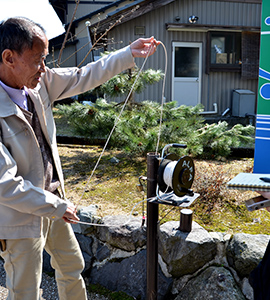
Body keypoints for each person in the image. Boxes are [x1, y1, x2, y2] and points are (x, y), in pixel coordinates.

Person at [0, 17, 159, 300]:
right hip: (20, 217)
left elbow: (83, 75)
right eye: (38, 59)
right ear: (9, 58)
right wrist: (56, 205)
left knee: (73, 266)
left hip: (54, 203)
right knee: (25, 291)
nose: (44, 68)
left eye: (45, 59)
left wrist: (127, 55)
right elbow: (5, 184)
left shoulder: (38, 83)